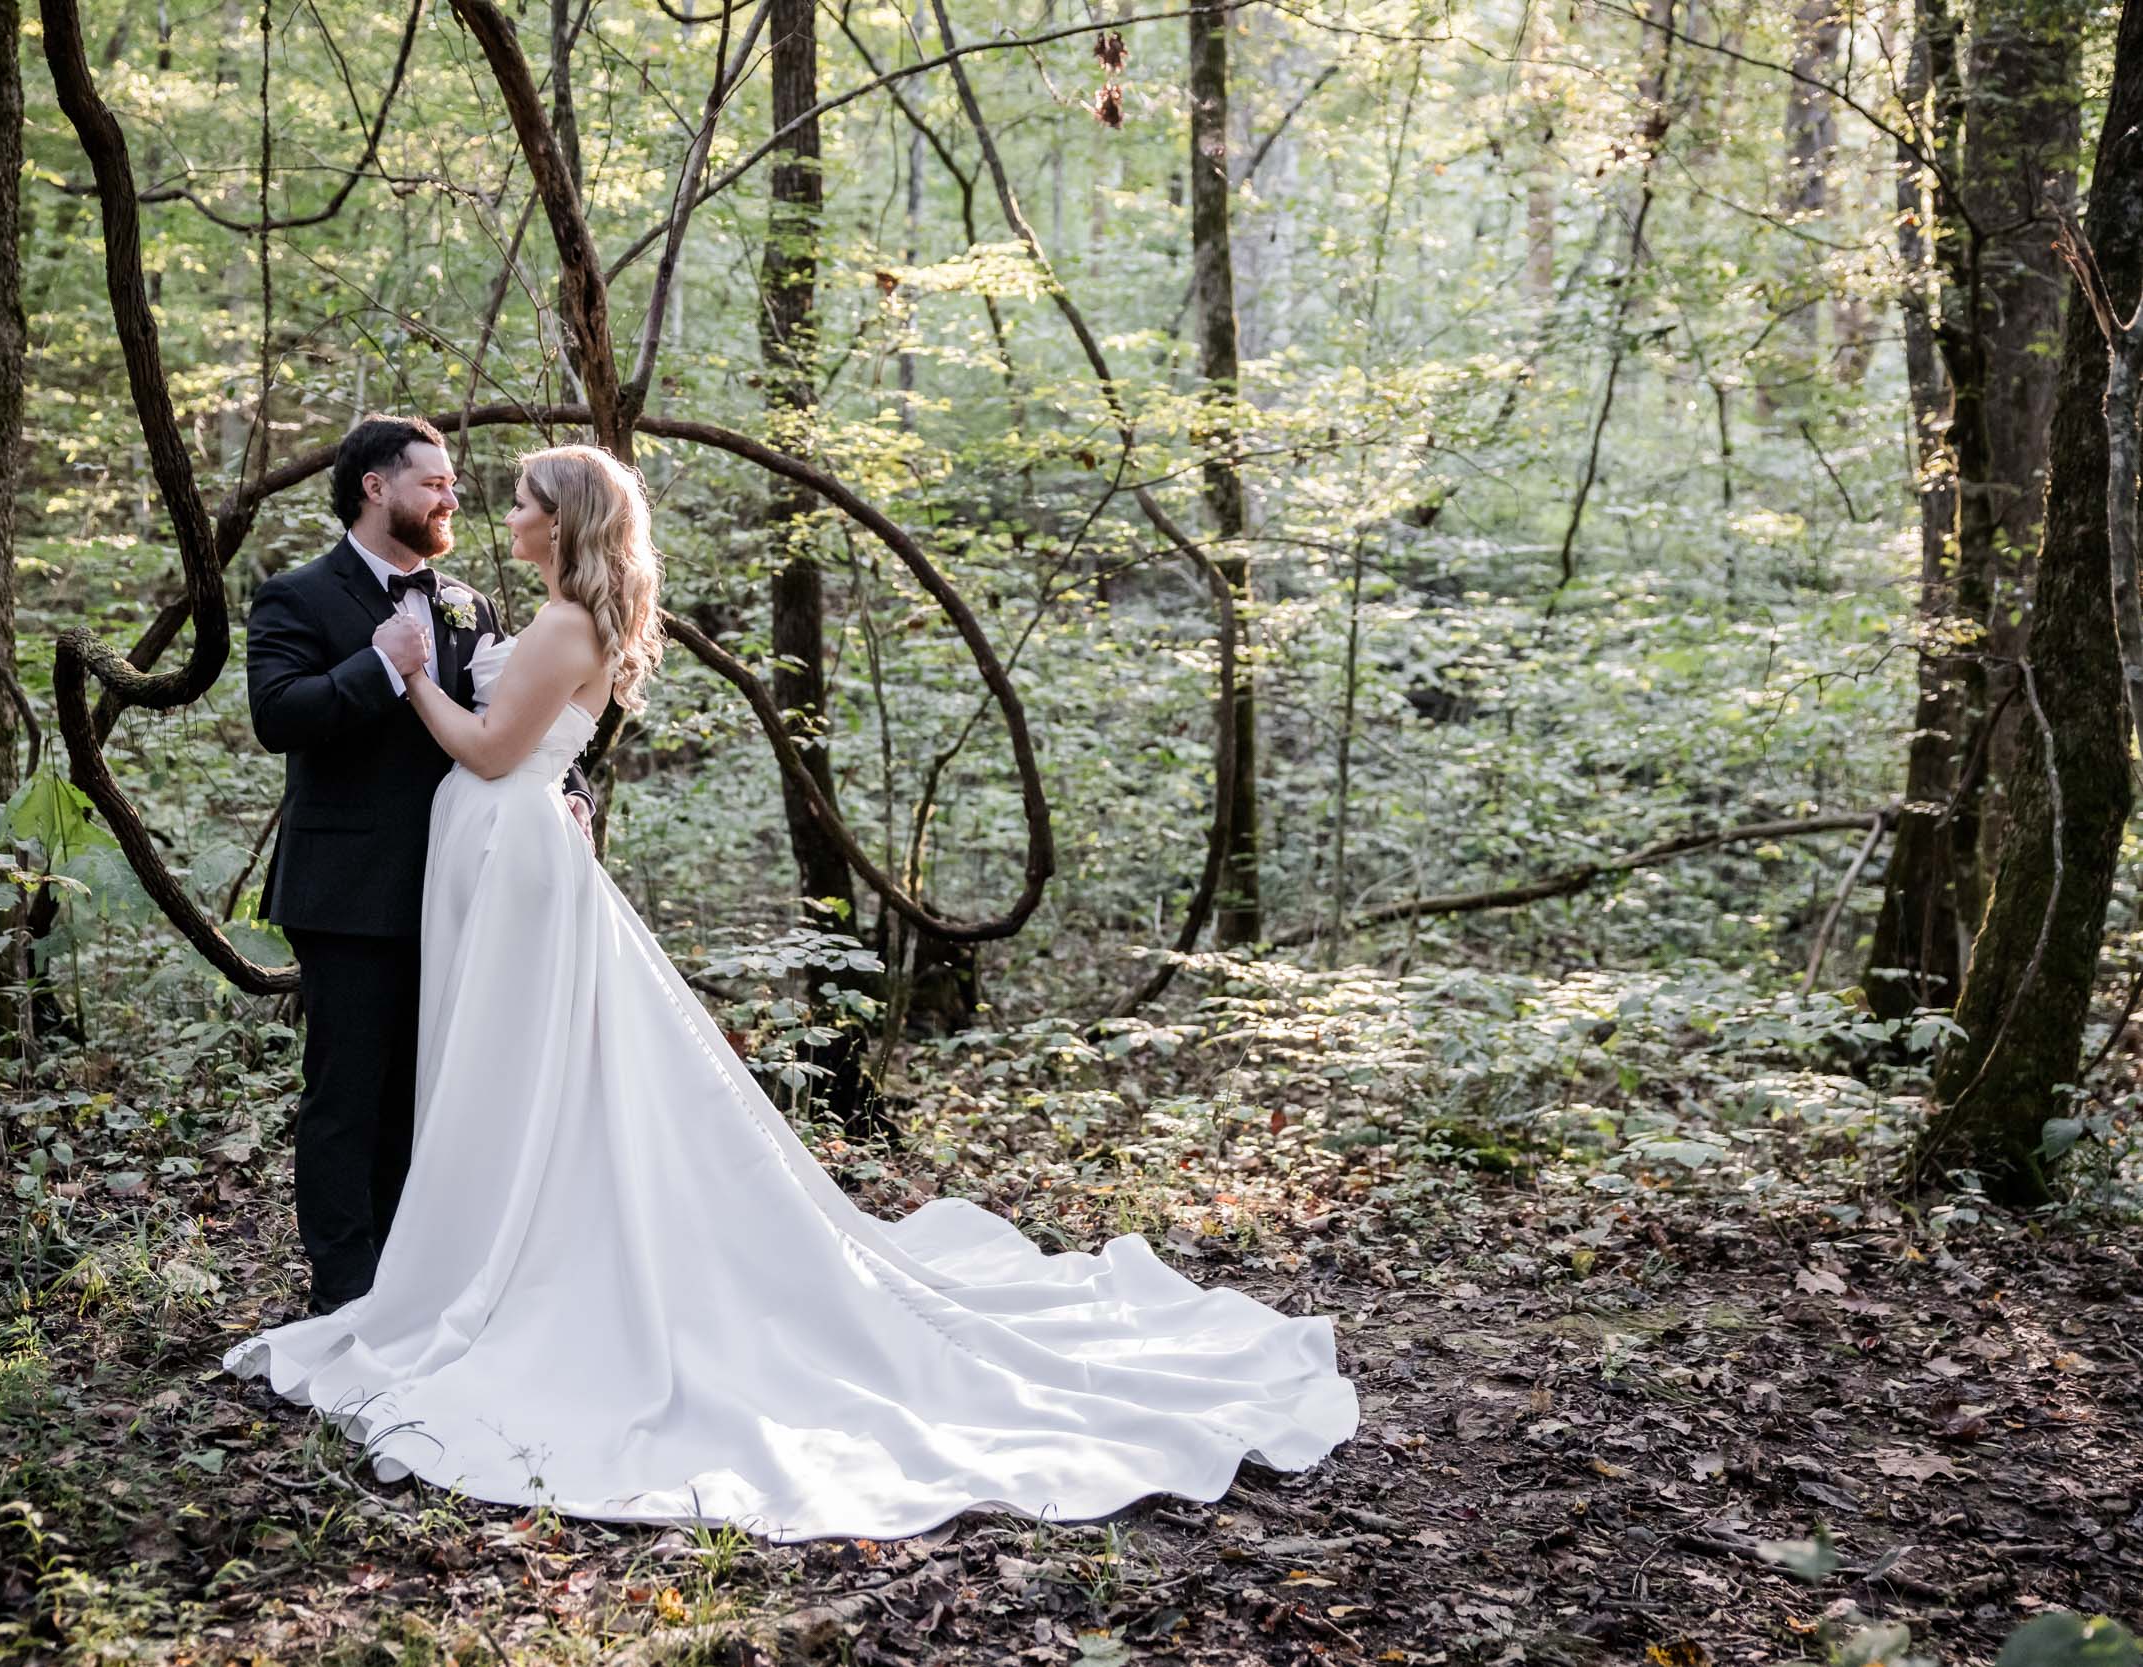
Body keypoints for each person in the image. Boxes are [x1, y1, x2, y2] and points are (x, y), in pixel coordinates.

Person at [227, 441, 1357, 1542]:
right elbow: (451, 728)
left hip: (504, 849)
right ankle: (431, 1262)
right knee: (466, 1072)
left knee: (517, 1069)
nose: (491, 506)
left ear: (561, 522)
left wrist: (419, 677)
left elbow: (492, 747)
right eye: (453, 484)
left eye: (519, 498)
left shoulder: (539, 617)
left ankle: (498, 1267)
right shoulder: (478, 606)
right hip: (459, 860)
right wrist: (505, 744)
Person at [245, 415, 594, 1315]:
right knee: (347, 1093)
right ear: (376, 487)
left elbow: (520, 721)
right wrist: (376, 666)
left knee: (432, 1090)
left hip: (467, 886)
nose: (451, 497)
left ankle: (411, 1282)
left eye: (451, 483)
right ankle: (345, 1294)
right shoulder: (297, 596)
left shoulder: (470, 603)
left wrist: (574, 792)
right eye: (434, 482)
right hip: (350, 889)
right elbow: (277, 716)